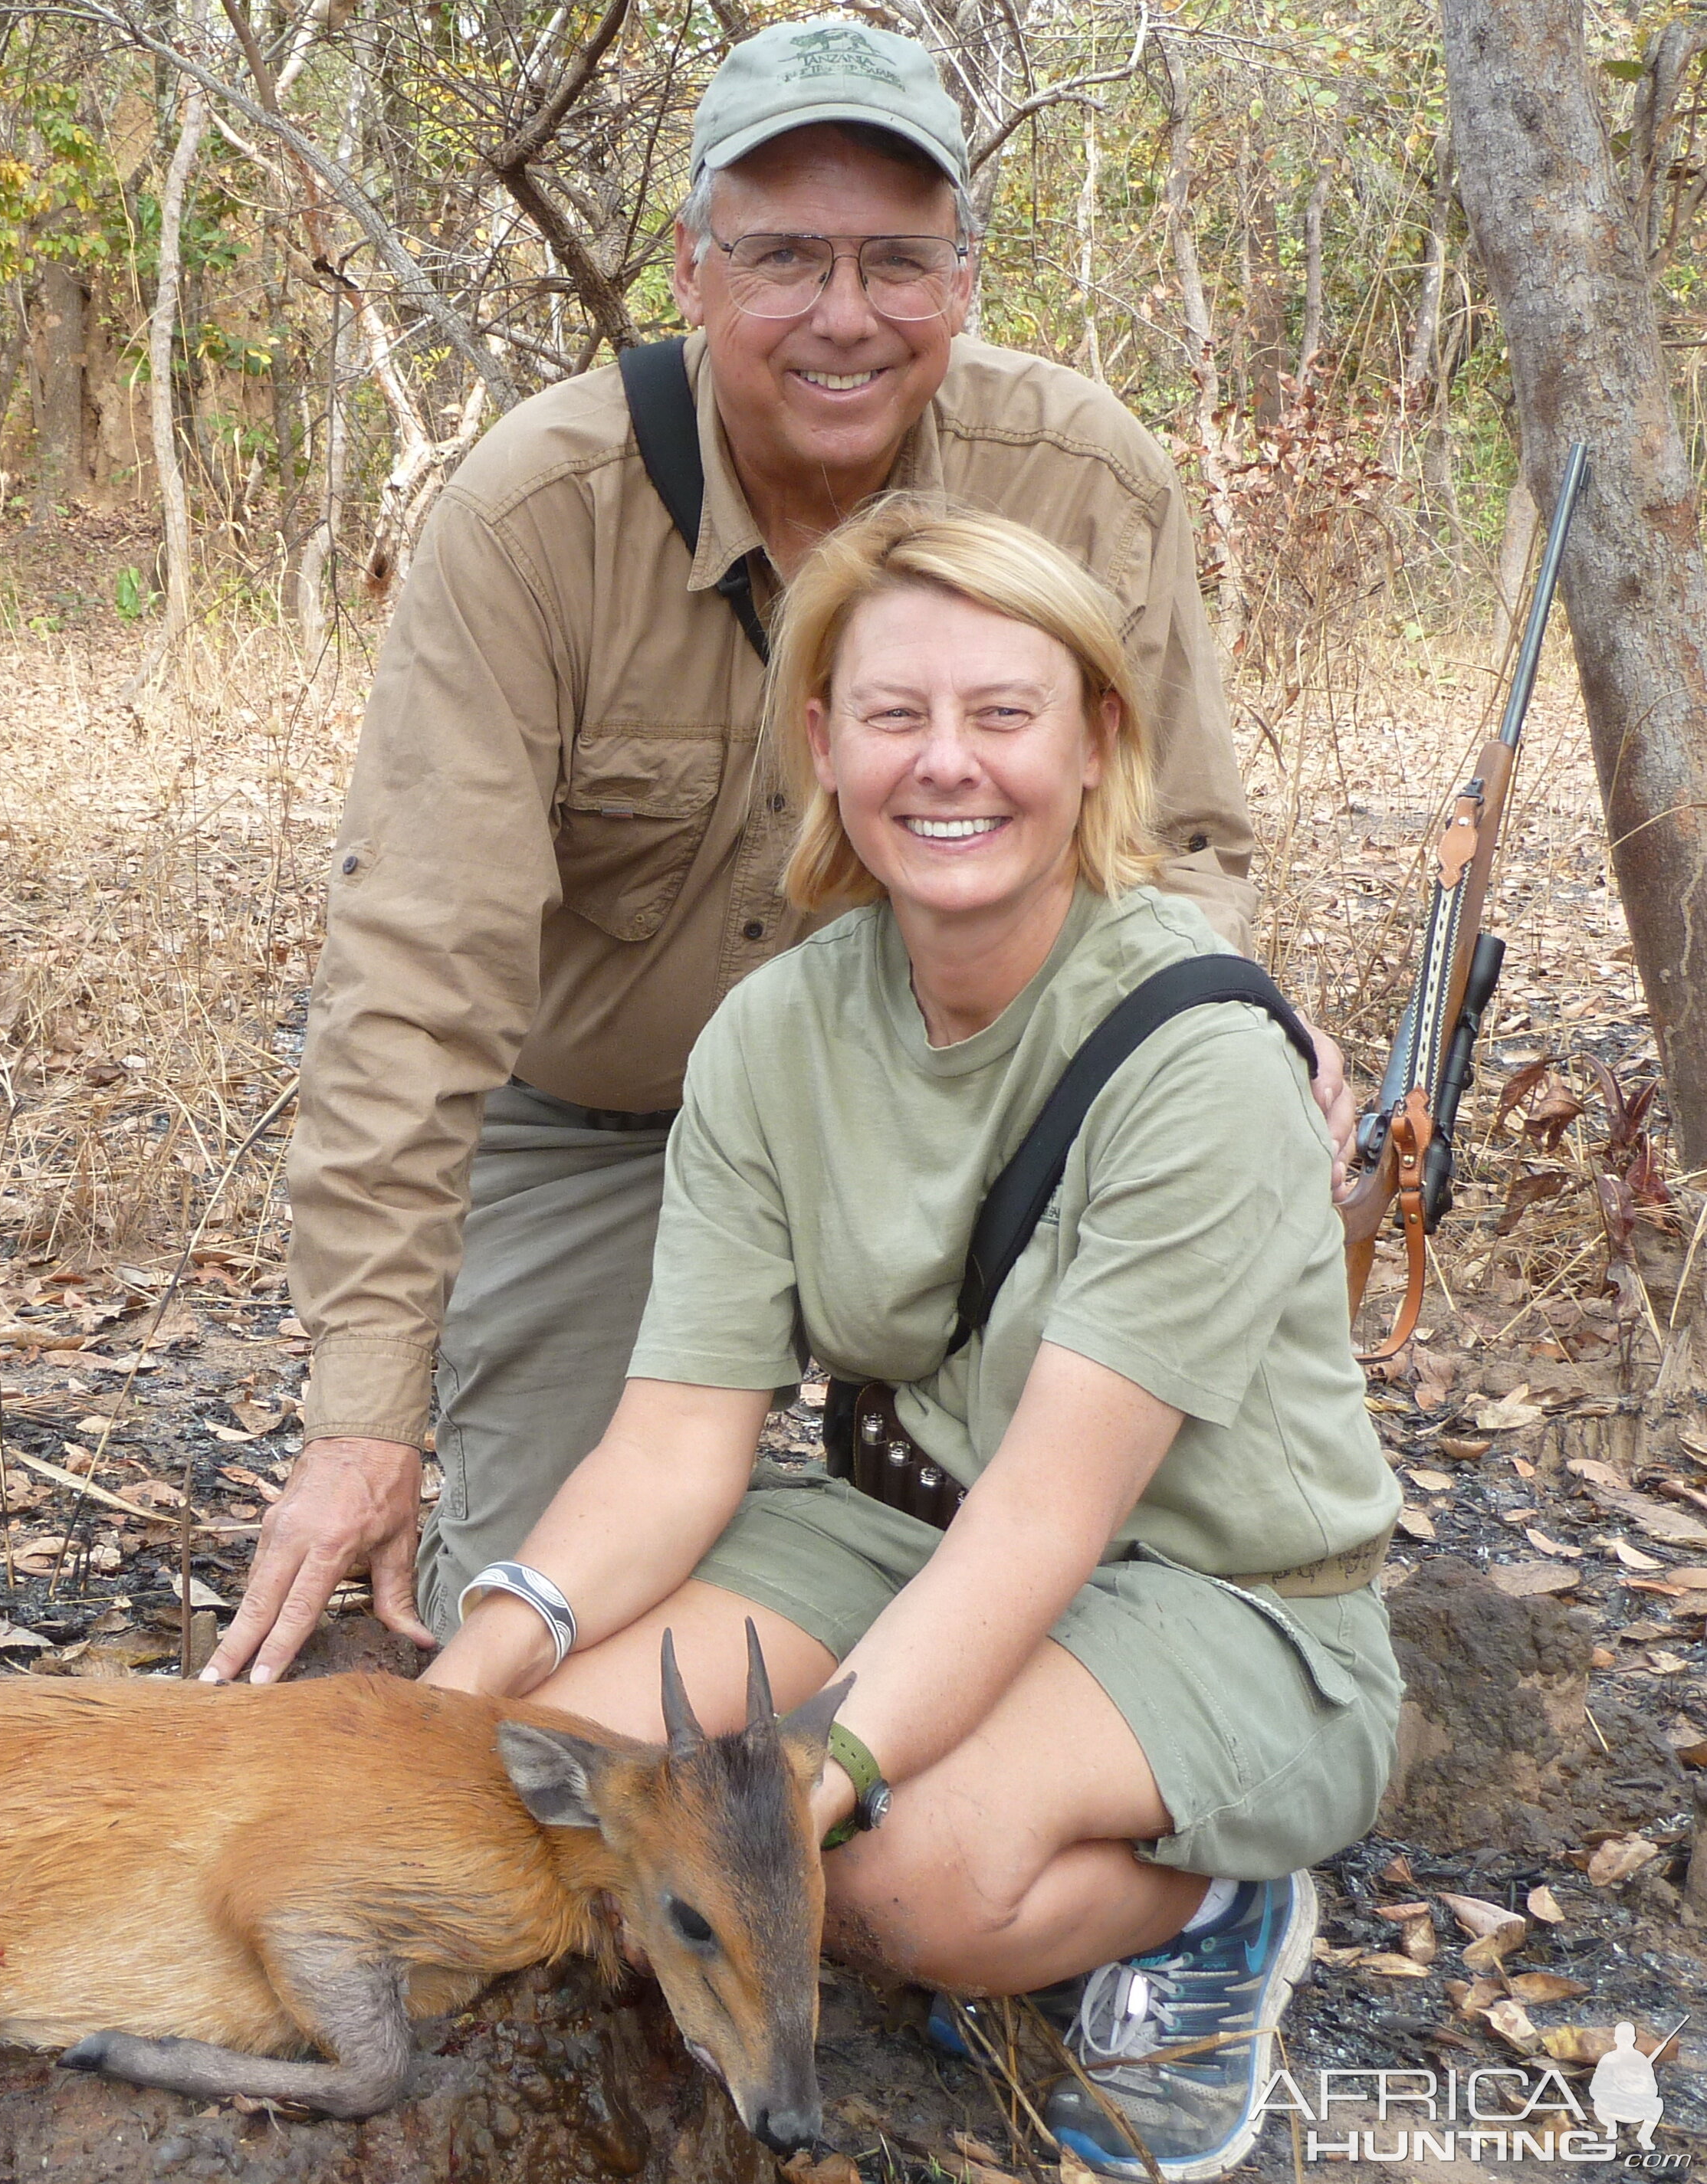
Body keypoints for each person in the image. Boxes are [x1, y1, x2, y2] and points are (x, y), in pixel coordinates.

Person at [204, 18, 1353, 1688]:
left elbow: (1174, 839)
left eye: (898, 260)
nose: (844, 313)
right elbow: (415, 972)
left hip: (981, 1111)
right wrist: (364, 1417)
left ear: (963, 276)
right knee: (534, 1637)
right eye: (785, 258)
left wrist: (1224, 1032)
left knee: (1112, 1596)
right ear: (691, 267)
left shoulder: (1084, 474)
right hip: (613, 1132)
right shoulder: (534, 515)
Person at [419, 501, 1403, 2182]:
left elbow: (1048, 1519)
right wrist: (456, 1691)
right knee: (576, 1780)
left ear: (1098, 740)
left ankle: (1216, 1901)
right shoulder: (771, 1034)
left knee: (884, 1877)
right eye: (895, 717)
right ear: (823, 746)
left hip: (1223, 1592)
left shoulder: (1201, 1050)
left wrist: (815, 1789)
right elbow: (671, 1448)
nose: (948, 767)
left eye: (1003, 716)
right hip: (899, 1526)